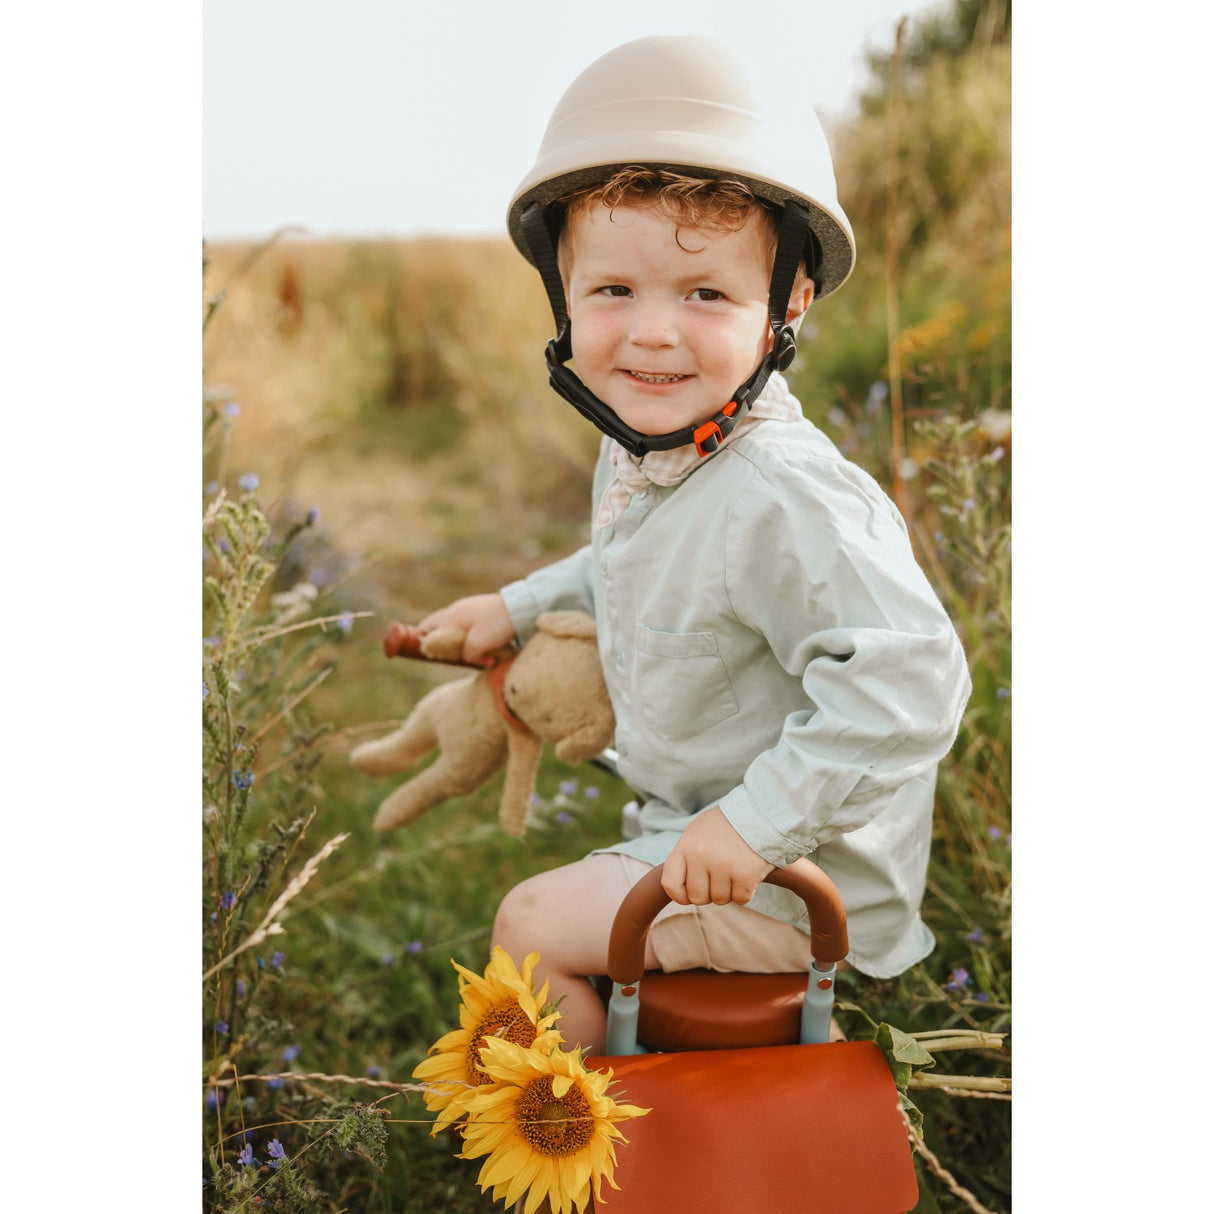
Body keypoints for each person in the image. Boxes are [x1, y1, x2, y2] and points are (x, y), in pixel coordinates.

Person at [415, 35, 971, 1054]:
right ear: (563, 297)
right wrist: (522, 605)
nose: (652, 334)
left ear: (785, 305)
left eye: (705, 294)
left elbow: (913, 675)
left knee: (528, 929)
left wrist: (754, 823)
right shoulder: (650, 445)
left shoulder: (781, 492)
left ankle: (589, 1137)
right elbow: (644, 557)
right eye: (612, 291)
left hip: (796, 874)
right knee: (556, 922)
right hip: (711, 826)